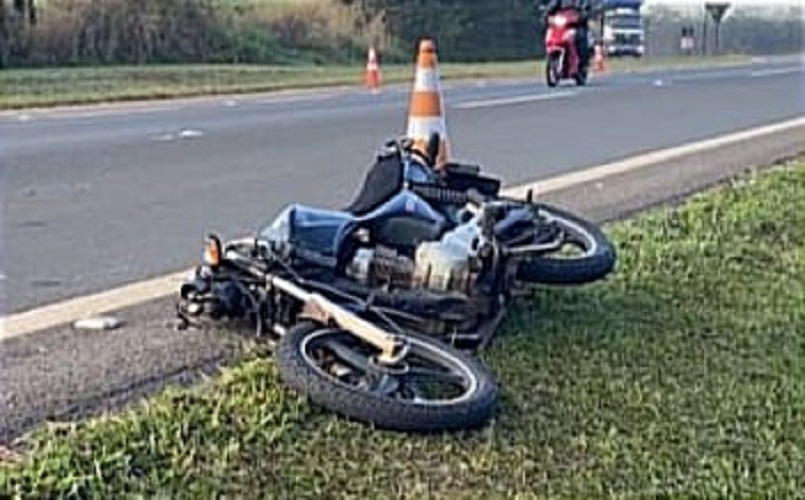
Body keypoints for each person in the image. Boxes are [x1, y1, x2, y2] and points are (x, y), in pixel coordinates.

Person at [542, 0, 592, 71]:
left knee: (580, 37)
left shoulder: (581, 1)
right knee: (551, 33)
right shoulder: (559, 1)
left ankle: (582, 63)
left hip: (577, 26)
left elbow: (586, 10)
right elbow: (550, 8)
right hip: (561, 26)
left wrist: (581, 17)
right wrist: (547, 16)